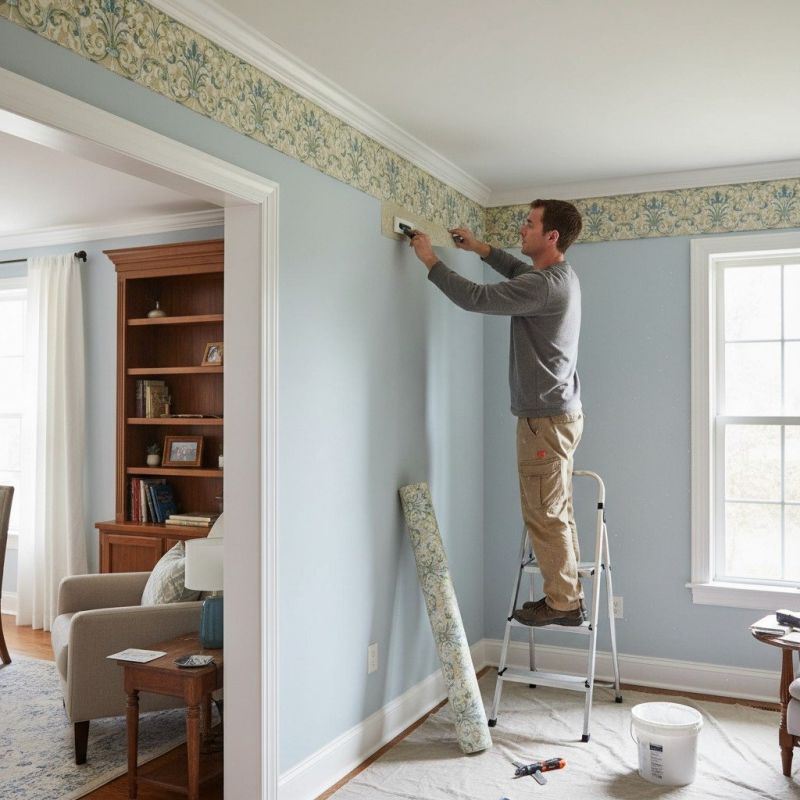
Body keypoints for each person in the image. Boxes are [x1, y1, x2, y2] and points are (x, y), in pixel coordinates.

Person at [408, 199, 585, 626]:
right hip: (558, 414)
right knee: (555, 510)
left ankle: (563, 603)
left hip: (544, 420)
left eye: (529, 223)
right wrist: (480, 249)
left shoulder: (544, 286)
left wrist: (430, 260)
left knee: (544, 513)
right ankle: (568, 593)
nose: (522, 228)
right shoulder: (557, 277)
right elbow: (519, 272)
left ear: (551, 236)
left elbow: (475, 298)